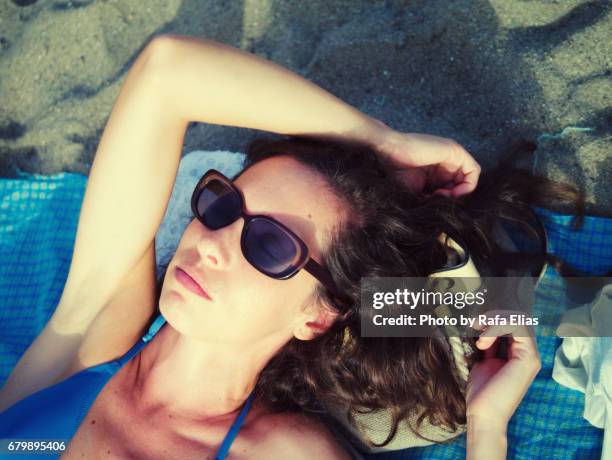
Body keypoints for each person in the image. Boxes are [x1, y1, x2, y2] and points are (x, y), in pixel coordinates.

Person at [0, 34, 548, 459]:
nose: (211, 244)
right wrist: (378, 138)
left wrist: (487, 430)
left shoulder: (278, 451)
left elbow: (501, 309)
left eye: (268, 245)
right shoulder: (91, 333)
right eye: (221, 206)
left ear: (317, 316)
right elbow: (167, 72)